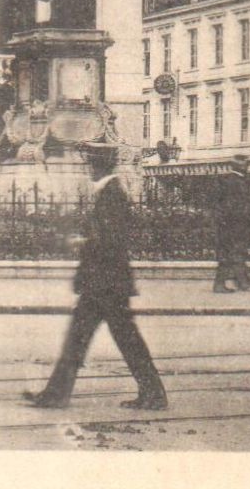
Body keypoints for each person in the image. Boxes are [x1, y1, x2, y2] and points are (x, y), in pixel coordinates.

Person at [25, 145, 168, 411]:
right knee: (96, 339)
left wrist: (84, 242)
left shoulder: (112, 195)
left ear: (97, 166)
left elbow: (110, 241)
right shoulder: (109, 193)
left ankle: (57, 395)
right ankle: (57, 394)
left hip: (105, 283)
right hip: (106, 282)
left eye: (89, 164)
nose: (87, 169)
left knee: (101, 340)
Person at [212, 156, 250, 293]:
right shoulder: (235, 181)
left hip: (231, 223)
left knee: (236, 252)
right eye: (246, 164)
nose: (247, 167)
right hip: (233, 223)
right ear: (239, 166)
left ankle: (243, 281)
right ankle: (220, 284)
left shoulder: (233, 180)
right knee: (230, 253)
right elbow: (234, 204)